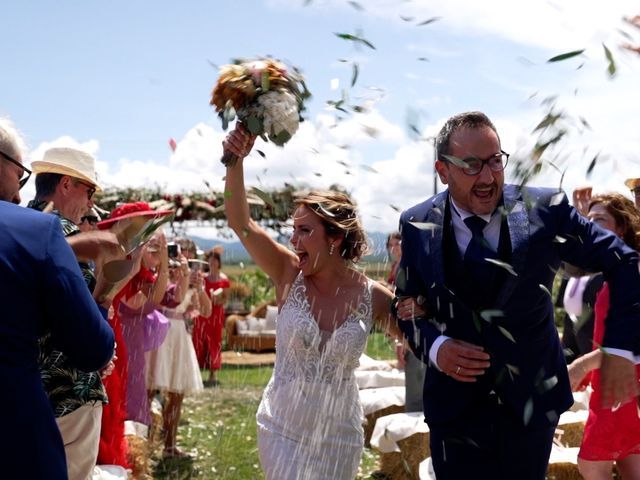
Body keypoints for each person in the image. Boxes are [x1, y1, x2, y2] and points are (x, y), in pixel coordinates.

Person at [395, 111, 640, 479]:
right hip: (454, 410)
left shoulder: (546, 210)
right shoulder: (415, 225)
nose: (488, 176)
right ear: (443, 171)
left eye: (495, 161)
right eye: (472, 165)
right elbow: (406, 308)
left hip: (529, 406)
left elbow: (625, 261)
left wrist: (621, 350)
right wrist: (435, 347)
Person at [222, 125, 408, 479]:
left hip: (340, 439)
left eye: (305, 231)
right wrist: (235, 160)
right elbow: (240, 222)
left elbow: (419, 338)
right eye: (293, 230)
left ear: (335, 238)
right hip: (282, 430)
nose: (294, 240)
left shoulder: (374, 297)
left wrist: (411, 344)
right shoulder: (287, 274)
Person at [0, 119, 115, 479]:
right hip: (40, 414)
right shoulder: (40, 233)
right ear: (67, 185)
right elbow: (92, 346)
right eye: (89, 191)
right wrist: (108, 288)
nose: (20, 193)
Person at [28, 146, 125, 480]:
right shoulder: (64, 237)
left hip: (20, 392)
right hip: (69, 394)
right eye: (90, 190)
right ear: (66, 184)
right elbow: (85, 325)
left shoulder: (14, 227)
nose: (92, 202)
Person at [567, 193, 640, 480]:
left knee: (591, 464)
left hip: (619, 387)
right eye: (589, 220)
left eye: (600, 220)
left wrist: (582, 366)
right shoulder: (614, 270)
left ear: (621, 227)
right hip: (619, 387)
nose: (591, 225)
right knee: (631, 465)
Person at [147, 251, 207, 458]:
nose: (173, 267)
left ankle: (170, 446)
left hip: (179, 336)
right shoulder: (156, 280)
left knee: (177, 394)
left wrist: (198, 288)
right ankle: (143, 445)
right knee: (148, 389)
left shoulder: (189, 284)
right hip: (156, 332)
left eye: (178, 263)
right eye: (170, 262)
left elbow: (204, 310)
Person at [387, 231, 426, 413]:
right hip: (406, 332)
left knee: (417, 395)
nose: (395, 248)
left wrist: (402, 338)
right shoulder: (397, 267)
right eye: (391, 245)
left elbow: (409, 306)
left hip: (415, 335)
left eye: (398, 243)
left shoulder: (410, 268)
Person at [193, 248, 230, 386]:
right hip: (202, 313)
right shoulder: (203, 278)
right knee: (199, 339)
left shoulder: (224, 279)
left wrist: (217, 300)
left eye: (215, 260)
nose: (213, 262)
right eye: (211, 260)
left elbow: (225, 299)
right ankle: (195, 372)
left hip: (216, 314)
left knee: (214, 341)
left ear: (219, 262)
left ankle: (213, 373)